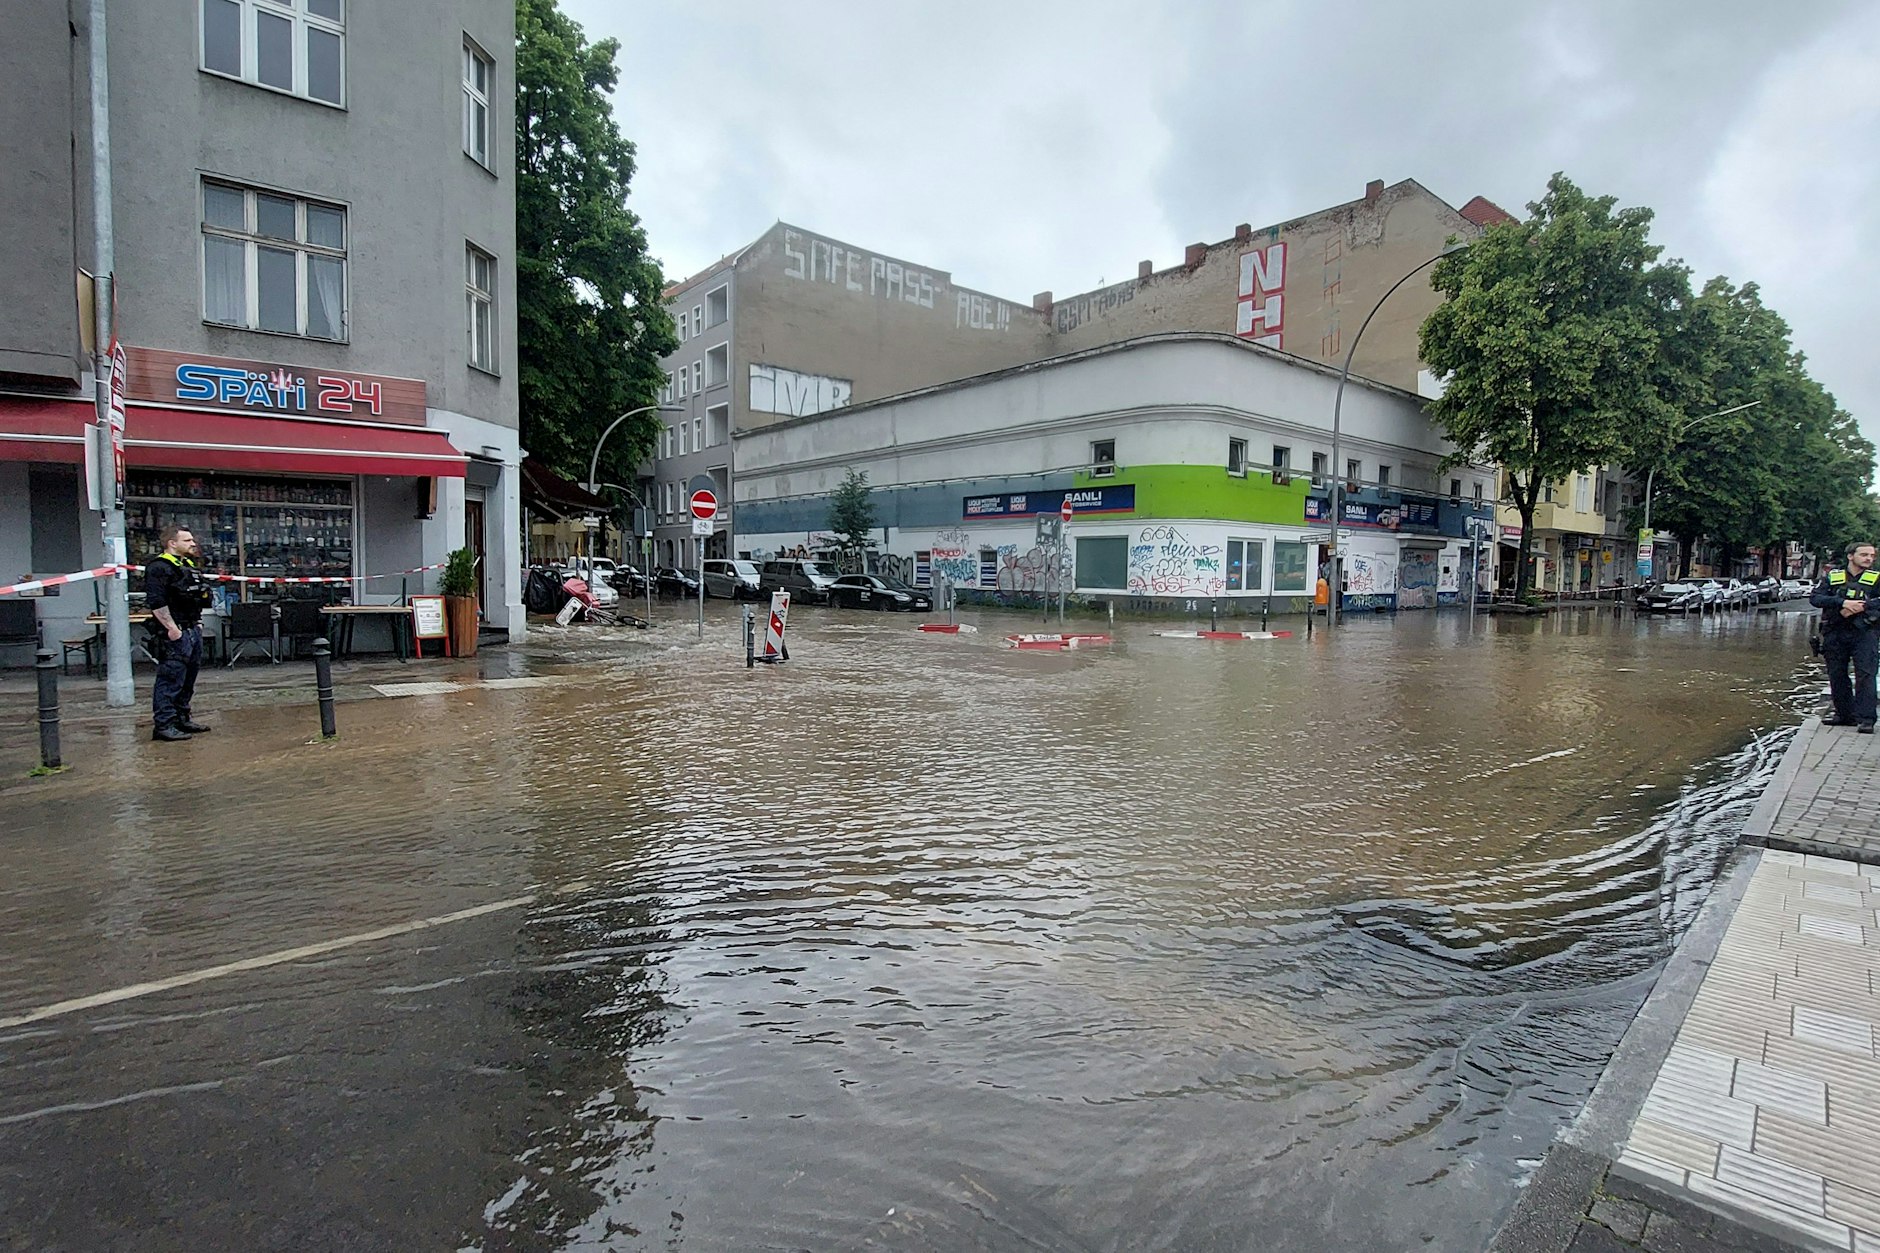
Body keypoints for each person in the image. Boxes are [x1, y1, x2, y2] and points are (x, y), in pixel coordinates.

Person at [145, 524, 213, 742]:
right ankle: (164, 724)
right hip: (176, 633)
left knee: (188, 679)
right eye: (187, 540)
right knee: (170, 679)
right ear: (172, 543)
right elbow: (157, 601)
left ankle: (182, 718)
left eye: (192, 540)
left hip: (192, 628)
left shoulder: (187, 565)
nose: (193, 543)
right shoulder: (159, 567)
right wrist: (171, 628)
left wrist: (198, 622)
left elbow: (197, 597)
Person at [1809, 541, 1880, 732]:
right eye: (1864, 555)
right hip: (1835, 631)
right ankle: (1844, 714)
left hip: (1864, 632)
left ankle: (1866, 719)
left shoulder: (1876, 578)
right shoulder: (1833, 576)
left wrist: (1862, 606)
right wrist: (1842, 603)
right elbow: (1815, 598)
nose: (1869, 559)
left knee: (1865, 675)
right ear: (1850, 556)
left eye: (1872, 556)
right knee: (1837, 674)